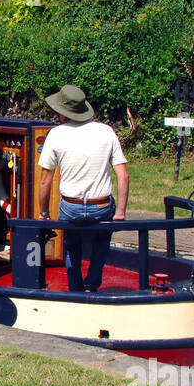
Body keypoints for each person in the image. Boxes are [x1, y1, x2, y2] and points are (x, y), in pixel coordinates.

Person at [36, 84, 129, 292]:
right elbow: (123, 175)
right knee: (103, 240)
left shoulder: (56, 135)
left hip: (71, 207)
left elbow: (45, 181)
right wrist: (121, 212)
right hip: (102, 206)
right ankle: (93, 283)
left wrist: (43, 213)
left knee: (71, 243)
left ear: (63, 114)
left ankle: (76, 287)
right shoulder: (106, 131)